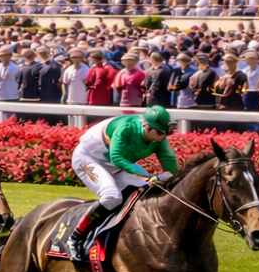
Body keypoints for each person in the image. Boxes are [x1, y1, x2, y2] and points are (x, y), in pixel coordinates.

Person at [67, 105, 178, 254]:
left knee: (148, 190)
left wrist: (173, 177)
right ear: (147, 126)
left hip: (117, 166)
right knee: (111, 197)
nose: (163, 137)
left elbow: (168, 160)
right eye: (159, 132)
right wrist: (150, 176)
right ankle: (76, 236)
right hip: (89, 159)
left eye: (165, 134)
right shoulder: (126, 127)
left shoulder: (159, 138)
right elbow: (117, 157)